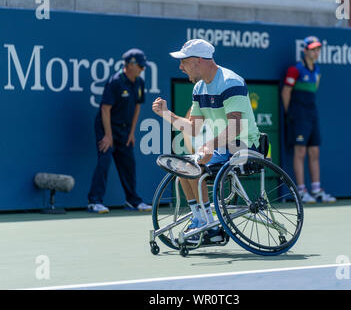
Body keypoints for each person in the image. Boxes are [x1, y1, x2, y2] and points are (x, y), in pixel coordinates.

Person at [152, 39, 261, 243]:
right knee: (184, 169)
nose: (180, 67)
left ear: (197, 61)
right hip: (222, 147)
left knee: (196, 166)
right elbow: (193, 128)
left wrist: (210, 144)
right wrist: (167, 114)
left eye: (183, 62)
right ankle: (202, 220)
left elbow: (236, 127)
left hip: (245, 146)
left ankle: (206, 224)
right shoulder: (199, 89)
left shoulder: (230, 82)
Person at [87, 48, 152, 213]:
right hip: (106, 127)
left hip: (125, 131)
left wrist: (131, 132)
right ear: (129, 64)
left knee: (129, 164)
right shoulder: (115, 81)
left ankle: (132, 201)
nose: (143, 69)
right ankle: (94, 201)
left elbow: (137, 107)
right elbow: (105, 109)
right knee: (104, 162)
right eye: (140, 65)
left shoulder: (139, 82)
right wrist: (108, 135)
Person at [281, 36, 336, 204]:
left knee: (314, 152)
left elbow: (315, 90)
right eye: (313, 49)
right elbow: (286, 92)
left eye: (318, 49)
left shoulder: (317, 71)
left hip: (312, 115)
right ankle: (301, 191)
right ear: (305, 51)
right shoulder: (295, 70)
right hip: (298, 116)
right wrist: (289, 114)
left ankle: (317, 190)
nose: (316, 52)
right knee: (300, 153)